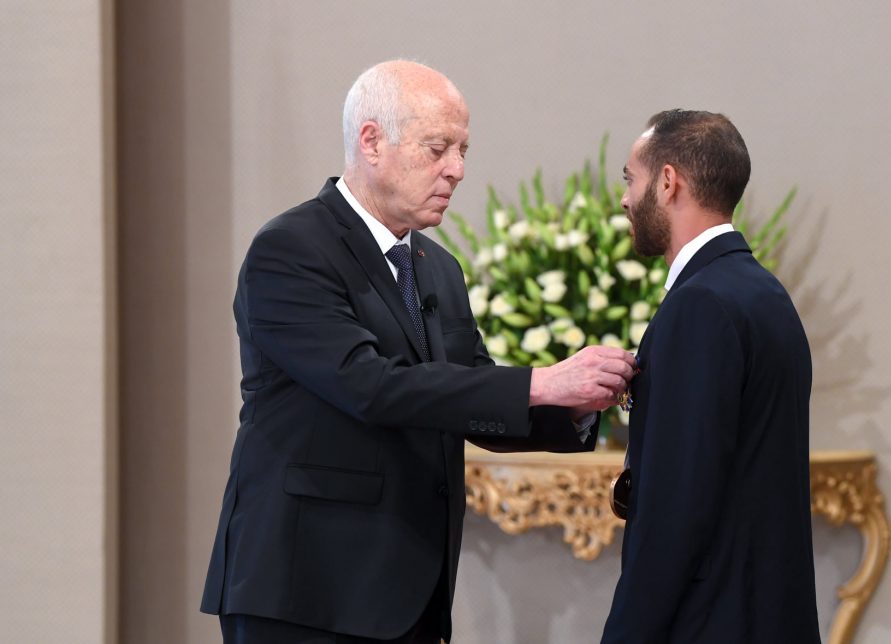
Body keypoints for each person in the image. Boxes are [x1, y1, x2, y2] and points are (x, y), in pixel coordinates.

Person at [200, 60, 636, 644]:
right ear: (371, 142)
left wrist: (576, 405)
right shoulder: (291, 249)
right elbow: (368, 385)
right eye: (437, 149)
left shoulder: (438, 268)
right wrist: (542, 381)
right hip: (307, 589)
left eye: (463, 150)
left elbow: (471, 394)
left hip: (409, 593)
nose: (456, 169)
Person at [601, 110, 820, 643]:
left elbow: (676, 509)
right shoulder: (762, 291)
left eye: (631, 179)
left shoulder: (699, 305)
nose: (625, 199)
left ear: (668, 182)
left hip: (711, 621)